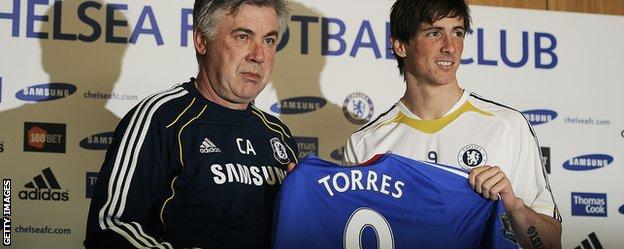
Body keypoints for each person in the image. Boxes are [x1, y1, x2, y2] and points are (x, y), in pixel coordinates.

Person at [343, 0, 562, 248]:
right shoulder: (365, 143)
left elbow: (551, 244)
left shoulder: (508, 125)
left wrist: (513, 206)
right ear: (400, 45)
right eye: (434, 33)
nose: (450, 47)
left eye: (457, 33)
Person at [85, 0, 298, 248]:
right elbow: (109, 228)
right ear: (201, 40)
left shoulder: (278, 134)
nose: (259, 55)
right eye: (243, 36)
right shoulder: (160, 118)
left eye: (269, 40)